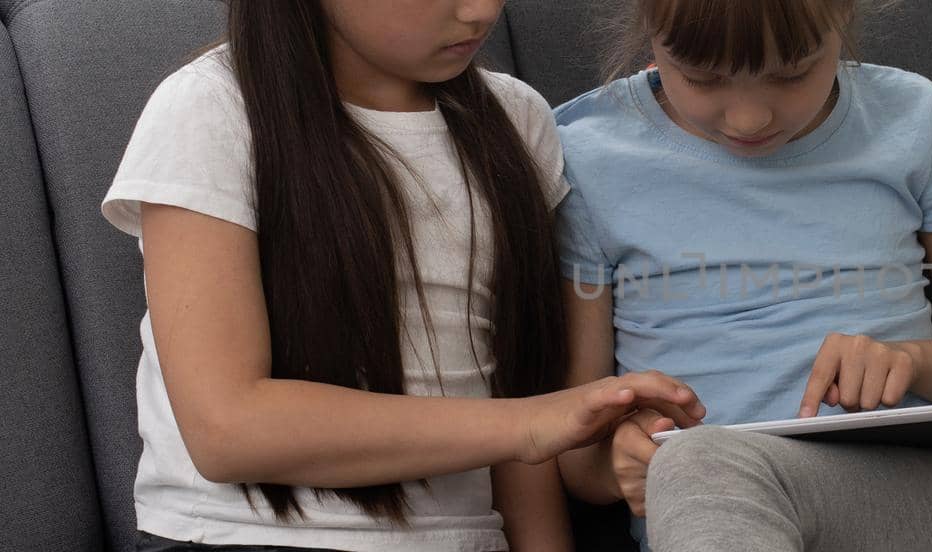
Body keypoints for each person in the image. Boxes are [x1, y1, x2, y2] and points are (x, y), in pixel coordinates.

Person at [100, 1, 702, 550]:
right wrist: (531, 423)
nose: (483, 10)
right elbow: (226, 430)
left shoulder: (518, 120)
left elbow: (522, 423)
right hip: (241, 536)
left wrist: (533, 434)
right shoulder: (210, 109)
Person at [553, 0, 932, 549]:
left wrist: (911, 361)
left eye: (791, 74)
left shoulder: (911, 118)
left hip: (921, 489)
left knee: (702, 460)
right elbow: (577, 454)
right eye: (702, 77)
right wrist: (614, 462)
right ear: (652, 32)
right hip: (711, 501)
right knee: (700, 461)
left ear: (844, 20)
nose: (749, 119)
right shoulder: (585, 152)